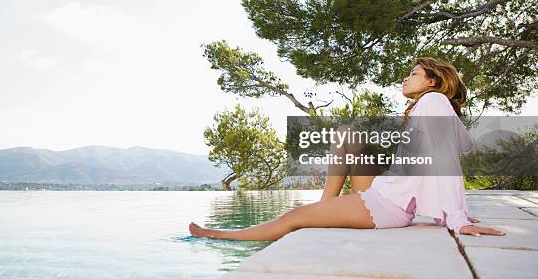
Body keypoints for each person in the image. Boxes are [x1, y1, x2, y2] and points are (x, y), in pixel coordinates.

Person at [188, 57, 506, 240]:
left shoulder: (433, 102)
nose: (406, 78)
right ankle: (325, 206)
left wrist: (456, 217)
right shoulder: (429, 105)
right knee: (348, 134)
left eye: (414, 74)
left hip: (388, 206)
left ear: (434, 82)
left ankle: (218, 235)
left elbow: (444, 159)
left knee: (293, 217)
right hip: (386, 193)